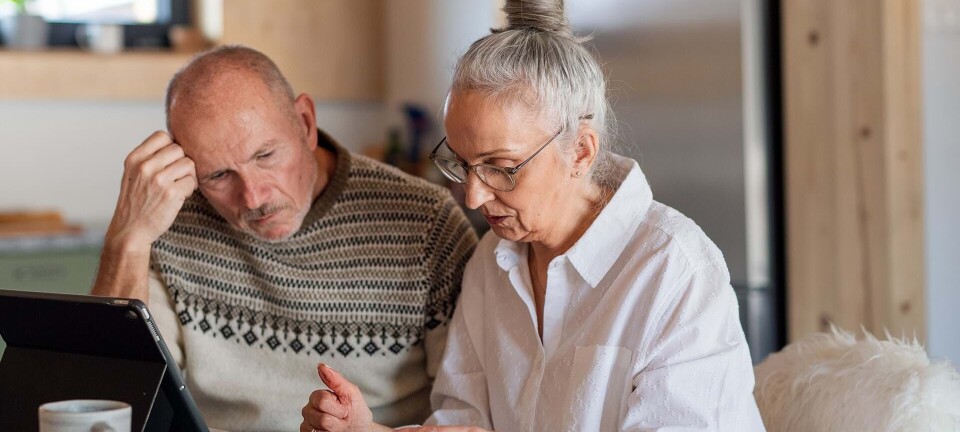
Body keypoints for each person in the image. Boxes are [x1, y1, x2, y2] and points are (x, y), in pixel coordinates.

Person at [300, 0, 766, 431]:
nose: (474, 198)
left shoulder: (673, 271)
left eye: (501, 168)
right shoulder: (493, 260)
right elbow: (464, 420)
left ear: (580, 151)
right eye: (461, 164)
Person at [90, 45, 478, 431]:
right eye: (219, 175)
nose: (254, 197)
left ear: (306, 123)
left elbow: (469, 413)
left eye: (266, 156)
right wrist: (128, 239)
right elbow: (113, 397)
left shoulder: (426, 222)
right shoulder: (169, 218)